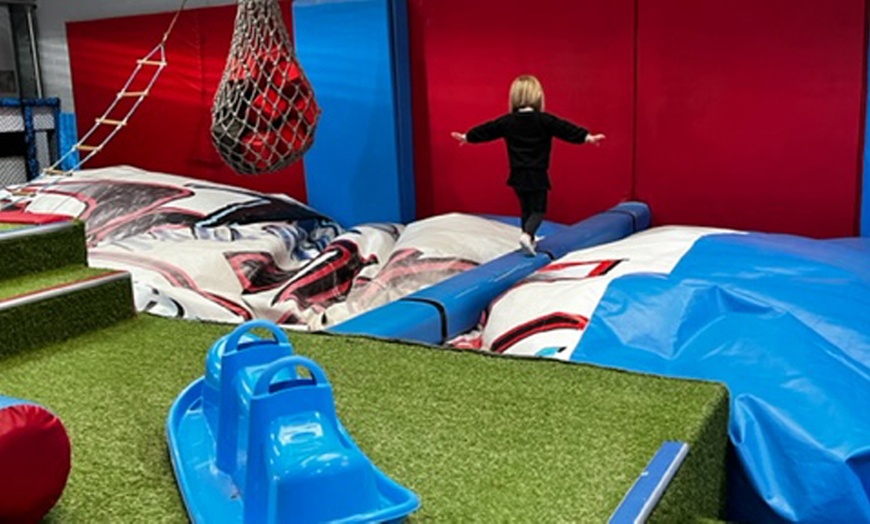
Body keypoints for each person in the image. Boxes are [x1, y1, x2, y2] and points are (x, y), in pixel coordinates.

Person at [452, 75, 605, 255]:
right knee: (539, 209)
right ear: (538, 96)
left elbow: (488, 130)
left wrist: (468, 137)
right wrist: (587, 137)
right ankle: (527, 234)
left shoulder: (508, 121)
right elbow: (565, 129)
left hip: (517, 174)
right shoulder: (544, 120)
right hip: (537, 172)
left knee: (526, 208)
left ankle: (528, 241)